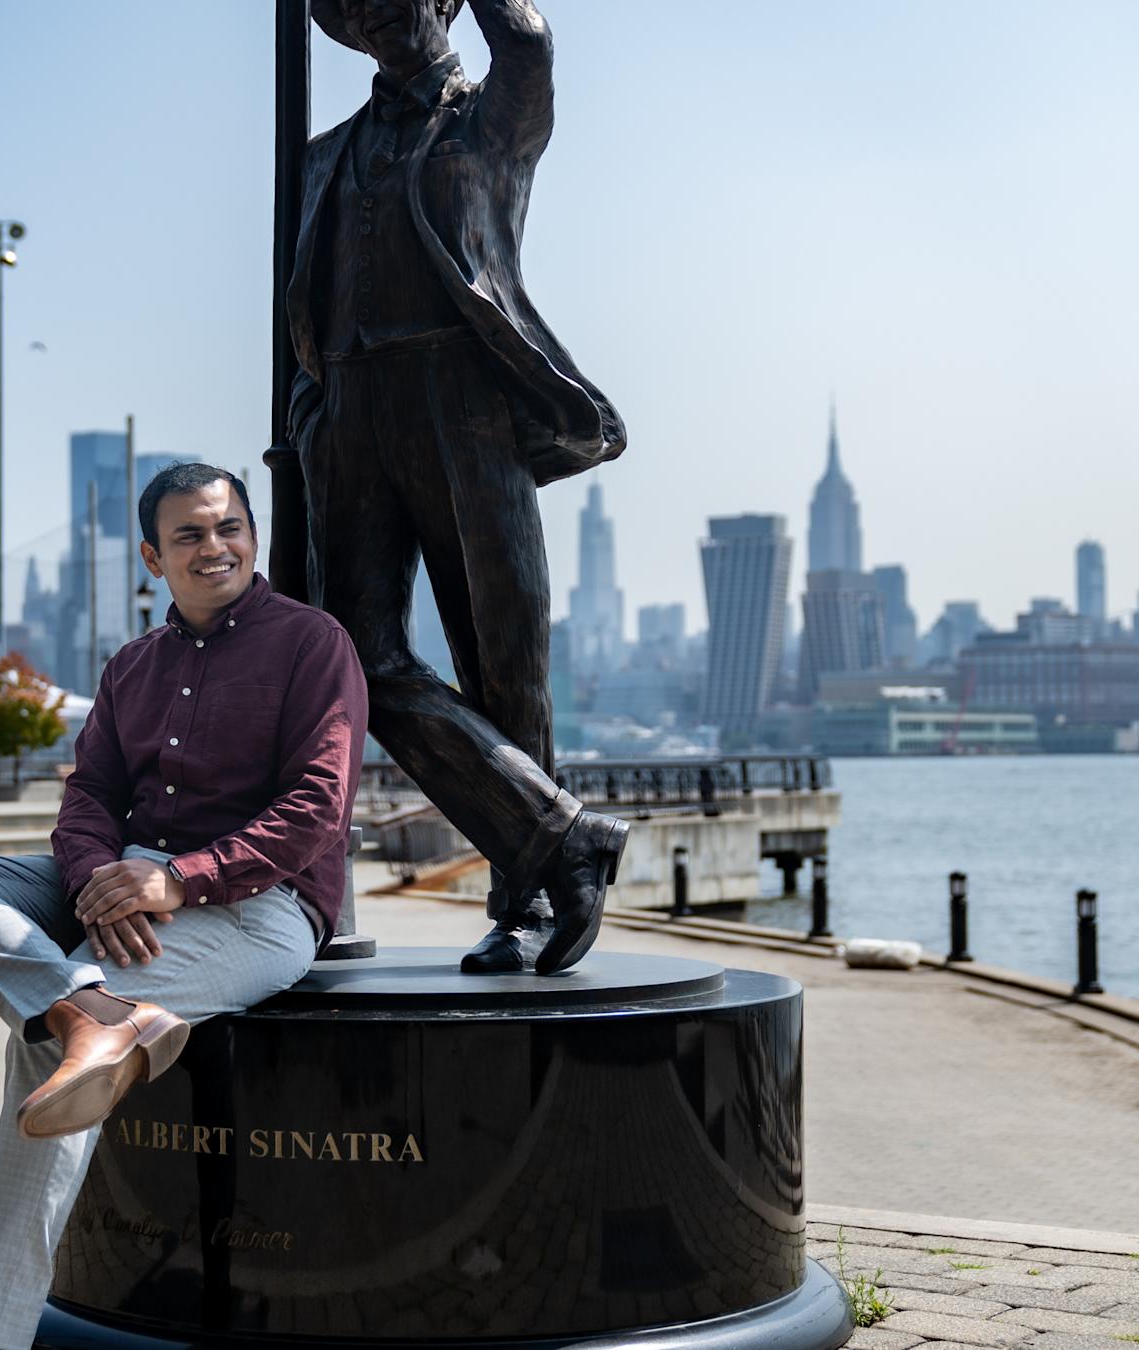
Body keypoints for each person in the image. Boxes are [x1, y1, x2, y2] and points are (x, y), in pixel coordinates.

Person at [0, 463, 367, 1350]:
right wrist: (94, 879)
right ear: (153, 556)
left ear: (253, 537)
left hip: (257, 905)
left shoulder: (312, 643)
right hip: (123, 880)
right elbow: (90, 797)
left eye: (228, 528)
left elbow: (318, 805)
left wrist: (180, 878)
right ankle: (96, 1010)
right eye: (188, 535)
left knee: (40, 1048)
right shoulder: (132, 667)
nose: (212, 547)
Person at [286, 0, 628, 975]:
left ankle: (524, 901)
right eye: (350, 1)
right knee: (356, 663)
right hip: (350, 413)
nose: (374, 7)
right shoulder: (319, 159)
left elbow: (526, 39)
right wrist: (310, 419)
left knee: (503, 662)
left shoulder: (491, 121)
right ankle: (563, 838)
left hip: (462, 406)